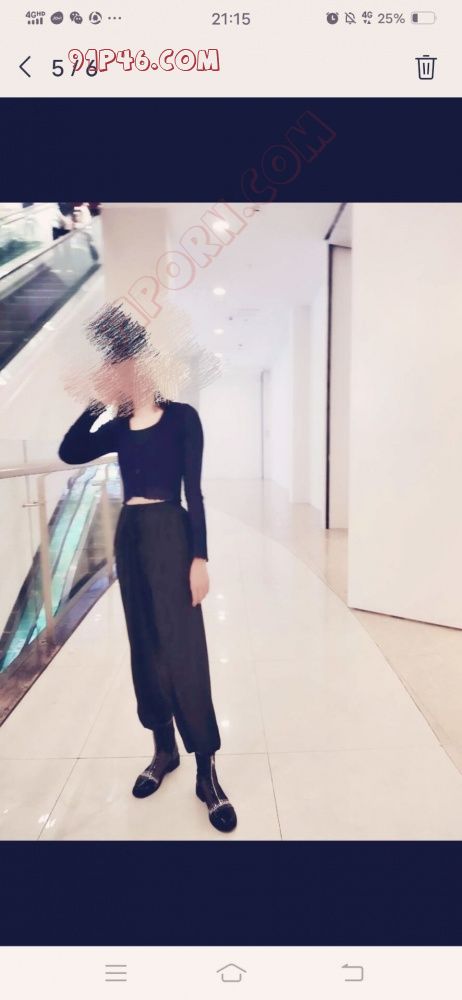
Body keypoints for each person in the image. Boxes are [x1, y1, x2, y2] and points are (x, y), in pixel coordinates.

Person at [57, 374, 237, 835]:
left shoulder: (181, 418)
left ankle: (206, 770)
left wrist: (200, 557)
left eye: (129, 361)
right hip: (131, 537)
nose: (123, 371)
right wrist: (95, 401)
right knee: (145, 646)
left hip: (171, 532)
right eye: (114, 365)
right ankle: (164, 750)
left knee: (185, 651)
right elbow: (70, 451)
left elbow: (194, 491)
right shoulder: (118, 426)